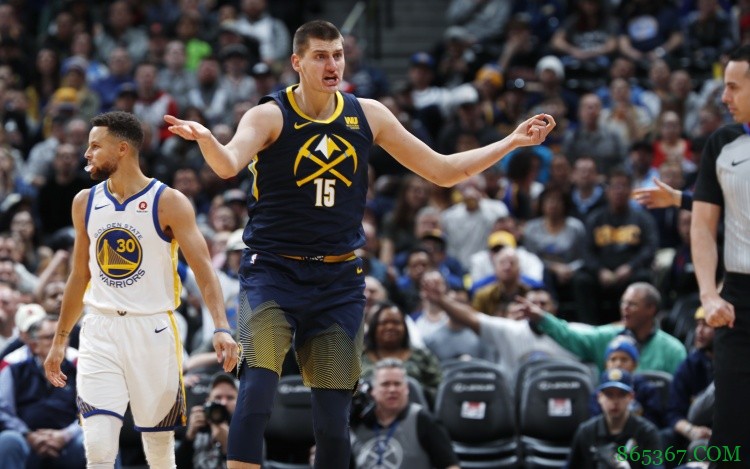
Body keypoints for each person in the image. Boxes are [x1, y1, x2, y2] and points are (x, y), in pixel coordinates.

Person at [163, 19, 554, 469]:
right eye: (320, 56)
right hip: (273, 271)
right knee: (256, 397)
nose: (332, 65)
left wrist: (511, 141)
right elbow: (228, 164)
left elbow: (443, 171)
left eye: (338, 55)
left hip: (338, 279)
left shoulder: (368, 114)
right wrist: (208, 140)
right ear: (297, 62)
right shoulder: (269, 115)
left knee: (333, 421)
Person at [43, 111, 238, 468]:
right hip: (99, 328)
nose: (86, 153)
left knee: (159, 447)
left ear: (122, 149)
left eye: (95, 146)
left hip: (153, 329)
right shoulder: (84, 201)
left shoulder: (169, 201)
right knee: (98, 446)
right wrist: (60, 340)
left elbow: (204, 269)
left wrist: (221, 327)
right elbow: (79, 276)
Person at [691, 44, 750, 465]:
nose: (724, 97)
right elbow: (702, 225)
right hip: (738, 304)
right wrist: (709, 294)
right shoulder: (722, 143)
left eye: (733, 87)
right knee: (730, 432)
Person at [350, 358, 460, 469]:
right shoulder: (358, 422)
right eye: (385, 384)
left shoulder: (424, 420)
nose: (392, 389)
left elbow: (451, 465)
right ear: (372, 390)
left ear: (406, 388)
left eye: (397, 384)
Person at [568, 368, 664, 469]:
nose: (615, 401)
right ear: (599, 397)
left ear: (631, 397)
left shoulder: (647, 432)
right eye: (609, 395)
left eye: (621, 395)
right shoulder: (586, 432)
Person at [176, 372, 239, 469]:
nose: (223, 403)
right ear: (208, 401)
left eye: (230, 398)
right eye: (218, 397)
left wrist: (228, 447)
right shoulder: (199, 425)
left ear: (239, 403)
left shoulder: (246, 431)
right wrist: (189, 437)